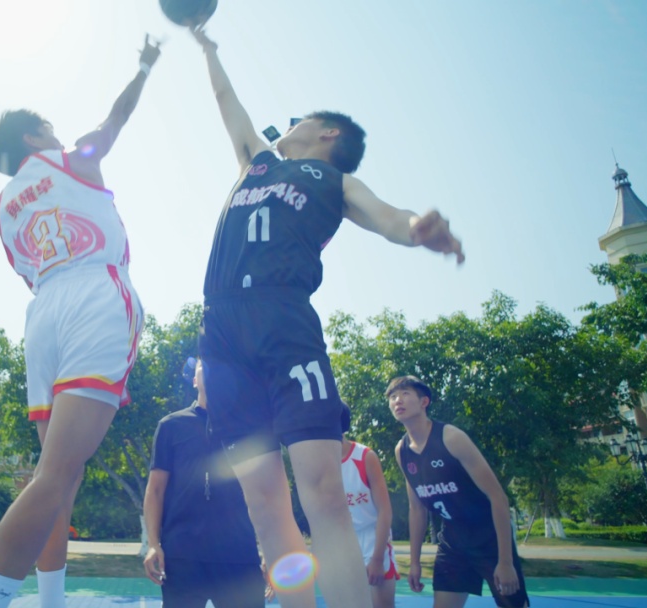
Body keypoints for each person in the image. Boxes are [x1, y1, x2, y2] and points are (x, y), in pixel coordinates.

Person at [188, 28, 465, 608]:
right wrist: (207, 49)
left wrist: (419, 229)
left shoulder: (337, 180)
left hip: (285, 324)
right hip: (222, 335)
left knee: (323, 496)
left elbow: (391, 218)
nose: (285, 125)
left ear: (327, 132)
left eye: (299, 119)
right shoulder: (257, 162)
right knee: (264, 505)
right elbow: (225, 101)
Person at [0, 35, 161, 608]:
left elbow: (24, 270)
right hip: (93, 294)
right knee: (54, 476)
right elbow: (117, 118)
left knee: (60, 476)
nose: (57, 134)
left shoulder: (2, 206)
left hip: (43, 312)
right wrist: (144, 67)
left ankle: (51, 600)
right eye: (48, 128)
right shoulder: (69, 158)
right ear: (33, 139)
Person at [389, 376, 529, 608]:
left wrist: (505, 562)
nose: (397, 400)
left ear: (424, 402)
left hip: (490, 539)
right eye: (393, 397)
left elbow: (498, 497)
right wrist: (414, 562)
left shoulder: (451, 437)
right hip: (453, 542)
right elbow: (417, 508)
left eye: (405, 394)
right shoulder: (401, 451)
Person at [143, 358, 266, 608]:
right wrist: (153, 544)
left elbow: (264, 493)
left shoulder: (247, 428)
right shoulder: (171, 426)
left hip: (238, 557)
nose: (211, 370)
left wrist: (268, 548)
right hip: (182, 557)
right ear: (194, 379)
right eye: (204, 365)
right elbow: (155, 490)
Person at [340, 434, 400, 608]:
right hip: (344, 542)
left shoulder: (365, 456)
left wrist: (377, 559)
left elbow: (385, 510)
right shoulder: (322, 463)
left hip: (373, 540)